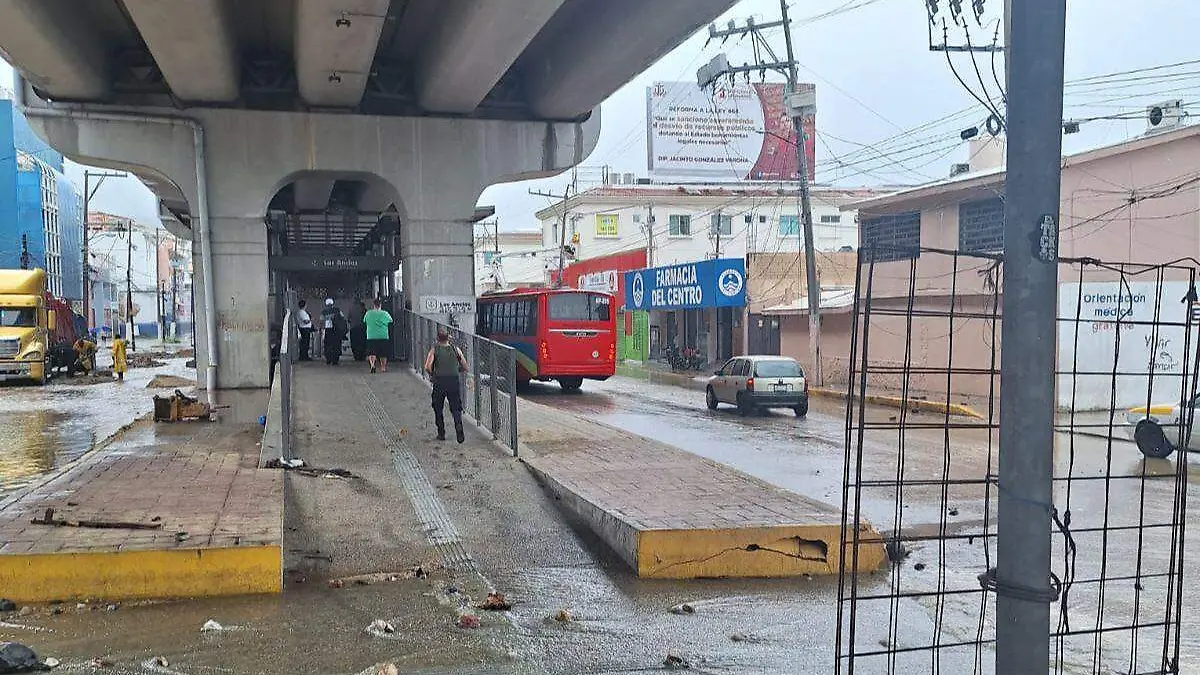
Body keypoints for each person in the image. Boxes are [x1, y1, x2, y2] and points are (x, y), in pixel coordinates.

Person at [424, 329, 468, 443]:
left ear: (437, 338)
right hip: (453, 381)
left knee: (438, 407)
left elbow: (427, 367)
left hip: (439, 382)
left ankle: (441, 432)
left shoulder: (434, 350)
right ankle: (459, 427)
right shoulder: (456, 349)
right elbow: (465, 366)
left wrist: (433, 375)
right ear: (448, 338)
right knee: (456, 407)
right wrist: (457, 370)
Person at [363, 298, 393, 374]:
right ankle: (383, 367)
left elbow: (364, 321)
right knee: (383, 353)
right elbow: (391, 320)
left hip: (371, 335)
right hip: (383, 335)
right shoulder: (385, 313)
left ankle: (372, 365)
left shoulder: (368, 313)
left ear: (374, 305)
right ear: (380, 305)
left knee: (371, 352)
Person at [321, 300, 348, 366]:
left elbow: (321, 320)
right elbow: (343, 318)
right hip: (336, 330)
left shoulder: (324, 312)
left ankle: (328, 359)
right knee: (336, 345)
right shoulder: (337, 310)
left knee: (328, 345)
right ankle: (335, 360)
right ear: (333, 304)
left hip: (328, 330)